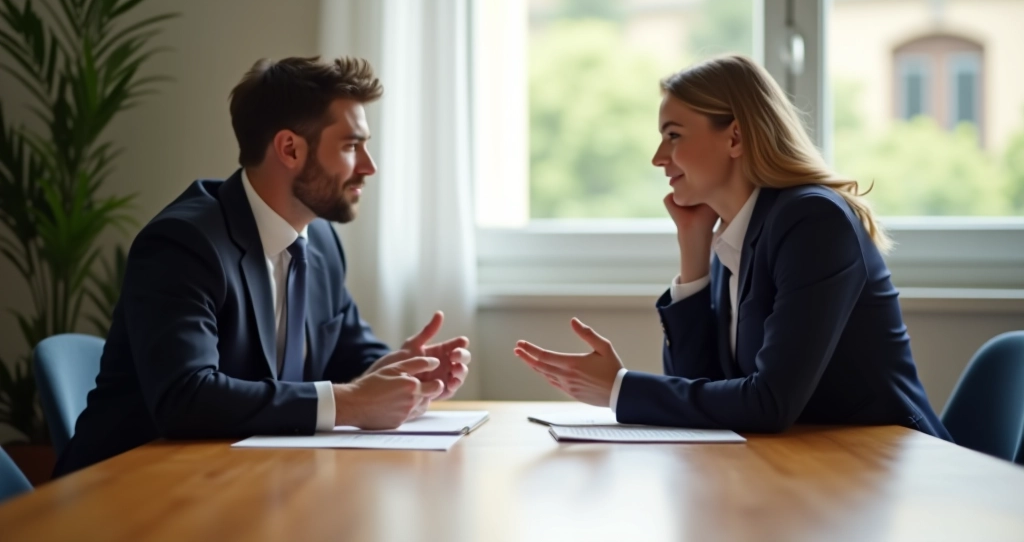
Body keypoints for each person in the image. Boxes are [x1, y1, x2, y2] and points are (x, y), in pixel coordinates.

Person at [55, 56, 472, 476]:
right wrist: (353, 402)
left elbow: (350, 354)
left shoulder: (321, 241)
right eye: (350, 146)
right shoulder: (183, 245)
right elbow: (186, 397)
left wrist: (405, 372)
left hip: (235, 482)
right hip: (125, 492)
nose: (369, 166)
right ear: (290, 148)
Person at [514, 55, 950, 439]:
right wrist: (693, 249)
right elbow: (704, 386)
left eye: (674, 135)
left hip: (890, 464)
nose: (658, 157)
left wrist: (619, 388)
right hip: (814, 463)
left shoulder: (813, 222)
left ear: (735, 138)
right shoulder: (738, 233)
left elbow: (769, 403)